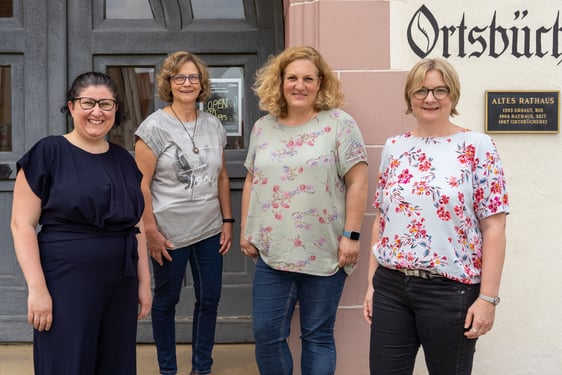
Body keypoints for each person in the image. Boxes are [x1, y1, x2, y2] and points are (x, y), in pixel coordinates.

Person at [363, 58, 509, 375]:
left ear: (453, 95)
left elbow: (494, 227)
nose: (430, 98)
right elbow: (382, 219)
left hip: (450, 292)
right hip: (391, 287)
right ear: (409, 97)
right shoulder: (394, 147)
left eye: (440, 90)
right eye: (422, 90)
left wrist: (487, 299)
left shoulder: (477, 147)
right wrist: (372, 285)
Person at [10, 72, 152, 374]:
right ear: (72, 107)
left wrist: (144, 282)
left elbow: (135, 225)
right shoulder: (48, 152)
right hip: (66, 280)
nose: (97, 111)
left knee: (115, 365)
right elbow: (21, 225)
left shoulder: (124, 160)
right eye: (88, 103)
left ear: (116, 110)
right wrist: (37, 289)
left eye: (106, 104)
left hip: (121, 281)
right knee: (67, 364)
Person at [240, 45, 369, 375]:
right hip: (273, 252)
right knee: (267, 336)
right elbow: (253, 181)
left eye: (308, 78)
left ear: (321, 83)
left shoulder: (339, 124)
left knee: (317, 336)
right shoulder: (263, 127)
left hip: (325, 252)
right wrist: (247, 229)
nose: (300, 85)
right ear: (280, 82)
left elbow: (358, 182)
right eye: (292, 77)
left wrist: (351, 236)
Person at [134, 51, 233, 375]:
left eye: (193, 77)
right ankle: (168, 370)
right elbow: (141, 185)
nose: (187, 83)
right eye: (180, 77)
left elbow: (221, 176)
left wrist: (228, 221)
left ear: (202, 83)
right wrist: (150, 231)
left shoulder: (214, 125)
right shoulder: (153, 128)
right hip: (169, 234)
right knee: (166, 303)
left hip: (209, 230)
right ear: (169, 83)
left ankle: (201, 368)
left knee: (209, 301)